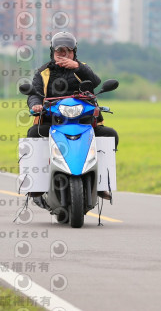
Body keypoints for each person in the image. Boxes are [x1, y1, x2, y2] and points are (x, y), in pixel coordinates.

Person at [26, 32, 118, 199]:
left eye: (67, 51)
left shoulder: (82, 68)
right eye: (59, 50)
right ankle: (37, 183)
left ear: (74, 52)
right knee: (33, 134)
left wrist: (77, 67)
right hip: (53, 121)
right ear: (52, 52)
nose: (63, 54)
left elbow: (95, 82)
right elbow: (34, 94)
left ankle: (101, 184)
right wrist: (35, 104)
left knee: (110, 134)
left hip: (84, 121)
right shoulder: (43, 72)